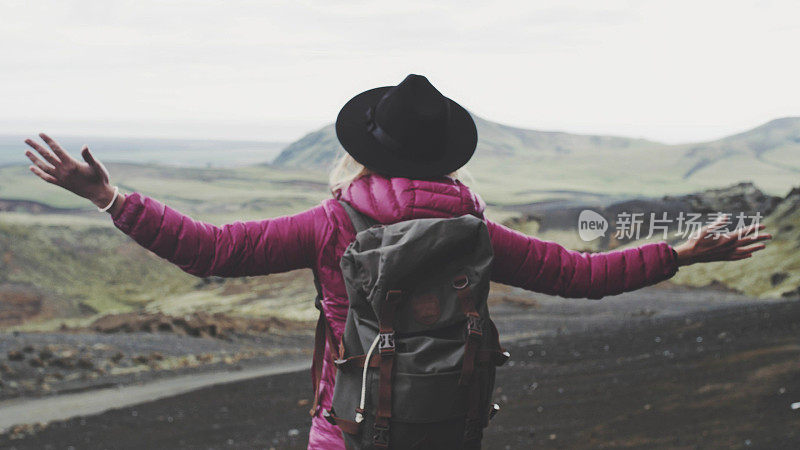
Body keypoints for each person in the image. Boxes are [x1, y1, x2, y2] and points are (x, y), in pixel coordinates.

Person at [24, 74, 770, 449]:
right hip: (446, 424)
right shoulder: (476, 229)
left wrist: (111, 197)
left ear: (362, 151)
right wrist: (676, 252)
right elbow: (579, 277)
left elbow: (211, 251)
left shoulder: (332, 223)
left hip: (345, 430)